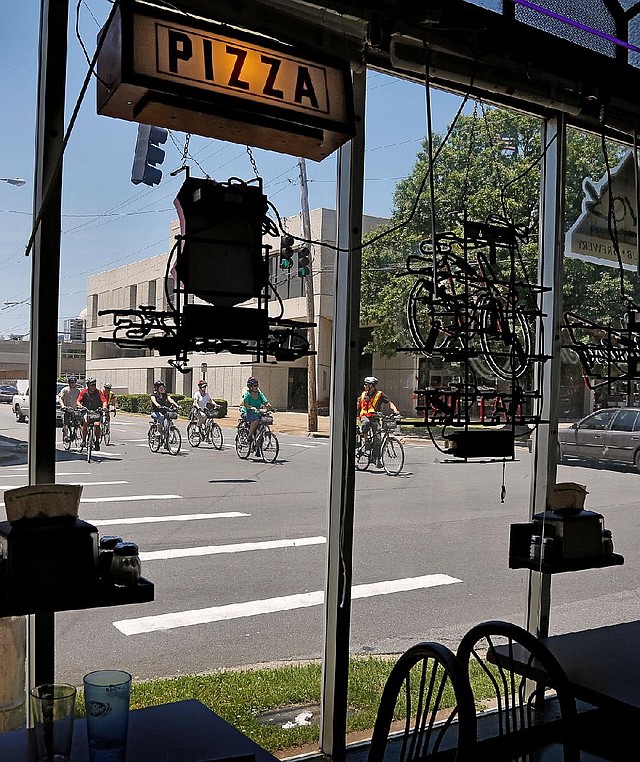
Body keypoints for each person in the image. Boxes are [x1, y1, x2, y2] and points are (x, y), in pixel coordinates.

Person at [357, 376, 400, 467]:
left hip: (375, 418)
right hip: (364, 416)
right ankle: (366, 442)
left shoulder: (380, 394)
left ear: (371, 385)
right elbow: (357, 405)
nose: (364, 386)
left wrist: (395, 411)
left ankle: (376, 459)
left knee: (378, 439)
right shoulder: (363, 394)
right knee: (366, 423)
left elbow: (389, 403)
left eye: (366, 384)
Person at [77, 377, 108, 450]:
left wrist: (104, 407)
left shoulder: (98, 392)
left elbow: (104, 401)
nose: (93, 387)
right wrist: (80, 406)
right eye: (91, 385)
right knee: (86, 422)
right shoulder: (84, 392)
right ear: (88, 385)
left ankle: (97, 441)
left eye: (94, 385)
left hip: (96, 411)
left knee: (97, 424)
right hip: (86, 410)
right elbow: (78, 400)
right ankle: (84, 440)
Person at [240, 376, 272, 442]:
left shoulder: (259, 394)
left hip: (257, 412)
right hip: (247, 412)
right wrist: (251, 408)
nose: (256, 387)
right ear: (250, 387)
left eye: (257, 385)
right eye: (255, 385)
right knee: (256, 420)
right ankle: (249, 435)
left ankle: (258, 449)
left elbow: (265, 402)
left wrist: (271, 408)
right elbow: (246, 404)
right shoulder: (247, 394)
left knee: (262, 422)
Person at [57, 374, 81, 442]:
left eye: (74, 382)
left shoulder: (78, 391)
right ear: (69, 383)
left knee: (77, 421)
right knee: (66, 422)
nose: (72, 384)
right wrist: (63, 406)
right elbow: (60, 398)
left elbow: (79, 400)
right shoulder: (65, 390)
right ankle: (65, 435)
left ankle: (75, 433)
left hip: (74, 409)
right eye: (71, 382)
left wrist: (80, 406)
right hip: (66, 409)